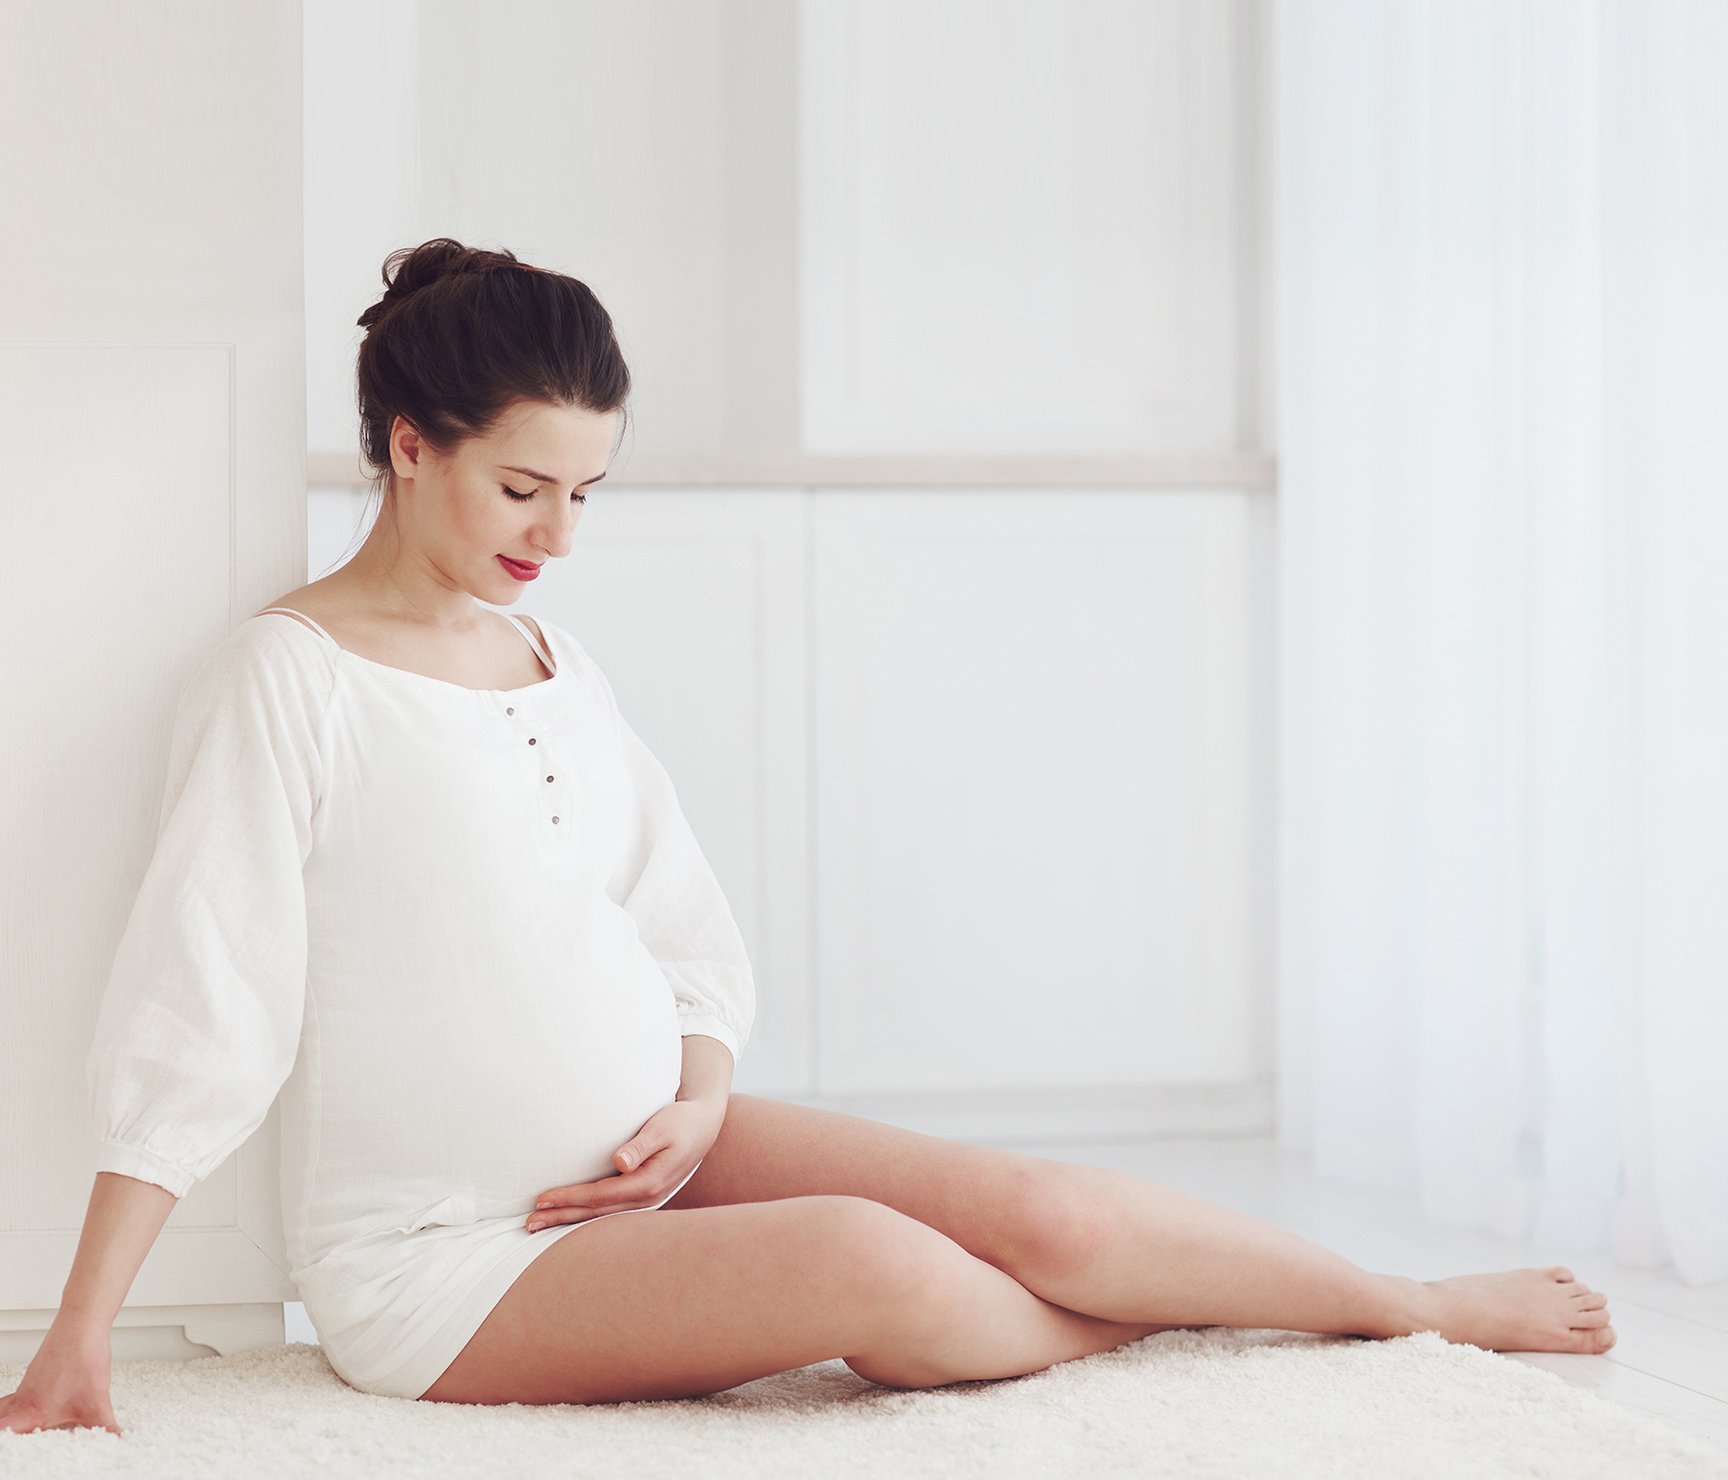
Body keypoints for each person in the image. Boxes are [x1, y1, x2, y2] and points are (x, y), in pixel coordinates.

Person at [2, 238, 1615, 1436]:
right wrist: (82, 1329)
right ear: (410, 445)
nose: (558, 534)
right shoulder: (287, 679)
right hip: (448, 1264)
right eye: (523, 488)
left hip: (647, 1150)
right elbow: (204, 998)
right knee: (872, 1264)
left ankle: (1402, 1304)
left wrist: (702, 1093)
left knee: (1048, 1214)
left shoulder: (549, 657)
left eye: (587, 493)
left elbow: (673, 914)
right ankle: (1174, 1322)